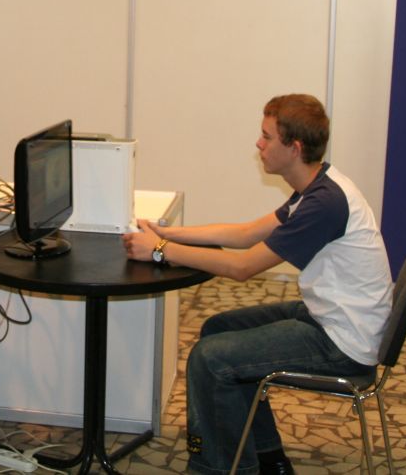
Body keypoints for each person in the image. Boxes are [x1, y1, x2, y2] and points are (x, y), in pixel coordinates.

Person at [123, 94, 392, 475]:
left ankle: (219, 469)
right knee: (218, 329)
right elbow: (246, 233)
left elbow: (242, 267)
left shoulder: (324, 205)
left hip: (342, 342)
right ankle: (268, 459)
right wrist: (167, 233)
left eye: (267, 137)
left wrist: (160, 251)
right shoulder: (318, 185)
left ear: (293, 148)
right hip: (334, 318)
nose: (258, 144)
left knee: (210, 358)